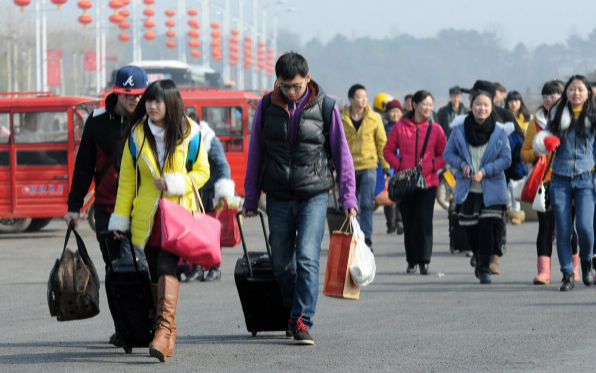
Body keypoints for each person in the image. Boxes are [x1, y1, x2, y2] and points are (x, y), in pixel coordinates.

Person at [242, 52, 357, 345]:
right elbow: (256, 152)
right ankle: (294, 313)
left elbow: (342, 155)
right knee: (282, 263)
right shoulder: (267, 106)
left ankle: (302, 320)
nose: (291, 92)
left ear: (308, 78)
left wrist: (348, 198)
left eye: (296, 85)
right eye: (285, 86)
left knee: (307, 257)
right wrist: (251, 198)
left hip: (314, 194)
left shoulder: (326, 106)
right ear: (277, 82)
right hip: (278, 195)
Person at [108, 79, 210, 361]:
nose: (152, 106)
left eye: (158, 101)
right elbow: (127, 182)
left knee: (166, 265)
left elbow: (202, 173)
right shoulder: (136, 134)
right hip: (148, 216)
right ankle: (168, 330)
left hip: (178, 216)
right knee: (153, 271)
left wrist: (176, 182)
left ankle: (163, 330)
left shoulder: (191, 134)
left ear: (171, 103)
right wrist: (120, 220)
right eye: (149, 101)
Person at [63, 65, 148, 347]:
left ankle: (153, 326)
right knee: (116, 271)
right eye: (128, 94)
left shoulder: (151, 118)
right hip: (108, 209)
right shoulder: (97, 121)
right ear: (117, 91)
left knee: (150, 269)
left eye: (138, 94)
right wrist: (74, 206)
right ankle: (123, 327)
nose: (134, 100)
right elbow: (84, 165)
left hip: (146, 209)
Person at [533, 75, 596, 292]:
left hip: (586, 178)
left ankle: (587, 261)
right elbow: (541, 141)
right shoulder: (557, 115)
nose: (575, 93)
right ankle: (567, 273)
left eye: (580, 89)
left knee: (586, 228)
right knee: (563, 230)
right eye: (572, 89)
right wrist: (546, 142)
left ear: (588, 93)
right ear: (566, 93)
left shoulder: (593, 117)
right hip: (559, 179)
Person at [443, 90, 512, 284]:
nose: (482, 108)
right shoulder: (459, 130)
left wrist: (486, 171)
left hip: (491, 188)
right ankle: (478, 254)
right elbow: (448, 154)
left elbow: (506, 159)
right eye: (478, 104)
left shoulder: (500, 132)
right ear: (471, 106)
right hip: (468, 189)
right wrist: (463, 165)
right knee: (470, 230)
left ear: (492, 108)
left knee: (487, 228)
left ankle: (484, 268)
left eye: (486, 105)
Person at [461, 80, 525, 275]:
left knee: (495, 219)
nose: (478, 104)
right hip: (472, 178)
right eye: (474, 99)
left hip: (498, 175)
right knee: (474, 217)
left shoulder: (505, 116)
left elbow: (519, 141)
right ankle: (482, 251)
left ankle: (494, 255)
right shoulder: (467, 118)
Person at [521, 79, 580, 285]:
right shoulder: (535, 121)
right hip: (543, 181)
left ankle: (573, 269)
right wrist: (539, 150)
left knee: (568, 227)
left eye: (553, 95)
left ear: (563, 96)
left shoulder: (575, 118)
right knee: (545, 227)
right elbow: (525, 153)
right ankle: (544, 272)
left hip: (569, 179)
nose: (549, 100)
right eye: (545, 96)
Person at [383, 90, 447, 275]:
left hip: (429, 182)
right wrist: (401, 166)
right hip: (406, 183)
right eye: (424, 104)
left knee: (425, 220)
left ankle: (424, 260)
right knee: (409, 221)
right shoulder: (400, 127)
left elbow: (444, 155)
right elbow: (388, 151)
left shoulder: (436, 129)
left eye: (430, 105)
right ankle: (411, 259)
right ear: (414, 105)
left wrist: (431, 166)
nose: (427, 108)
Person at [341, 84, 390, 249]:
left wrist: (385, 166)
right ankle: (353, 235)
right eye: (360, 96)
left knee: (366, 203)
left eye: (365, 96)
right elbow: (337, 145)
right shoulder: (342, 119)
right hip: (349, 168)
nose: (364, 99)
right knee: (350, 205)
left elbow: (382, 143)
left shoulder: (374, 118)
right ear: (351, 99)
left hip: (369, 165)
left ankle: (366, 238)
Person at [187, 112, 233, 283]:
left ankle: (215, 268)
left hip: (211, 193)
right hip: (194, 193)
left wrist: (224, 193)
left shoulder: (209, 139)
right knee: (195, 232)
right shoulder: (186, 140)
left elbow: (223, 166)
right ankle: (197, 268)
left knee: (212, 234)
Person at [505, 90, 533, 225]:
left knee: (515, 185)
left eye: (516, 100)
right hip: (506, 154)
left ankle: (516, 212)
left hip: (520, 155)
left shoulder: (527, 118)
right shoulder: (504, 116)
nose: (514, 103)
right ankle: (508, 211)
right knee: (506, 186)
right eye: (511, 100)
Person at [383, 99, 404, 235]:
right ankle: (390, 223)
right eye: (392, 112)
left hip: (402, 164)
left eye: (397, 112)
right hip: (388, 164)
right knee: (388, 194)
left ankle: (399, 221)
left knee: (401, 193)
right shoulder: (384, 128)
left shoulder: (404, 126)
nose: (395, 114)